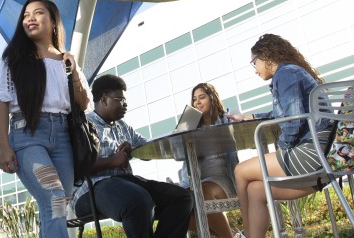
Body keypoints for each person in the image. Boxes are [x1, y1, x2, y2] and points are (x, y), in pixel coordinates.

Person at [0, 0, 90, 237]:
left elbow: (84, 103)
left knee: (58, 207)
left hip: (64, 137)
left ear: (54, 21)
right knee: (55, 199)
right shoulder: (12, 59)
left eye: (38, 13)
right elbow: (1, 104)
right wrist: (4, 146)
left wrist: (74, 71)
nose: (30, 18)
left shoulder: (66, 60)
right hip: (27, 136)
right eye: (26, 15)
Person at [230, 34, 336, 238]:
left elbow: (293, 120)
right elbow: (283, 113)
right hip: (323, 159)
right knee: (255, 191)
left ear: (267, 56)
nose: (255, 69)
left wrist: (282, 146)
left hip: (311, 156)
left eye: (254, 62)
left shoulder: (285, 74)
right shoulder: (293, 72)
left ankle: (246, 233)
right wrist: (248, 117)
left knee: (240, 171)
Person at [74, 74, 194, 238]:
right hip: (91, 190)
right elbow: (77, 166)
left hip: (127, 184)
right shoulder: (84, 125)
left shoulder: (123, 127)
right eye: (120, 100)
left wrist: (134, 148)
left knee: (182, 198)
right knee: (138, 200)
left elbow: (148, 150)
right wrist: (112, 161)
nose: (125, 104)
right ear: (103, 100)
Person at [178, 83, 239, 238]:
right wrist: (185, 126)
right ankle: (229, 235)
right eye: (194, 99)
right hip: (196, 182)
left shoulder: (225, 119)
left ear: (212, 98)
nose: (197, 102)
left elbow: (240, 138)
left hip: (223, 178)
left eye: (202, 97)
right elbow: (178, 154)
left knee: (201, 192)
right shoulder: (190, 124)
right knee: (176, 206)